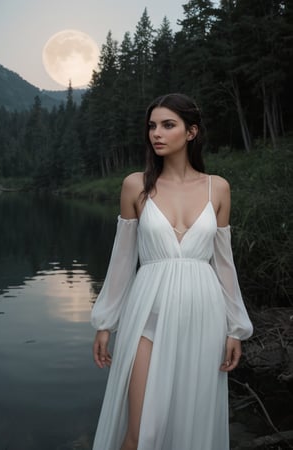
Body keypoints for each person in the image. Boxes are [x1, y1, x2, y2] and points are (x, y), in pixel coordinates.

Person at [91, 93, 253, 450]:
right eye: (152, 126)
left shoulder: (218, 187)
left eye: (168, 125)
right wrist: (106, 321)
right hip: (148, 313)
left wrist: (235, 327)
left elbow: (224, 266)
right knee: (140, 434)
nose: (156, 134)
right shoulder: (136, 185)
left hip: (203, 316)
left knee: (189, 431)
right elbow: (121, 260)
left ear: (191, 131)